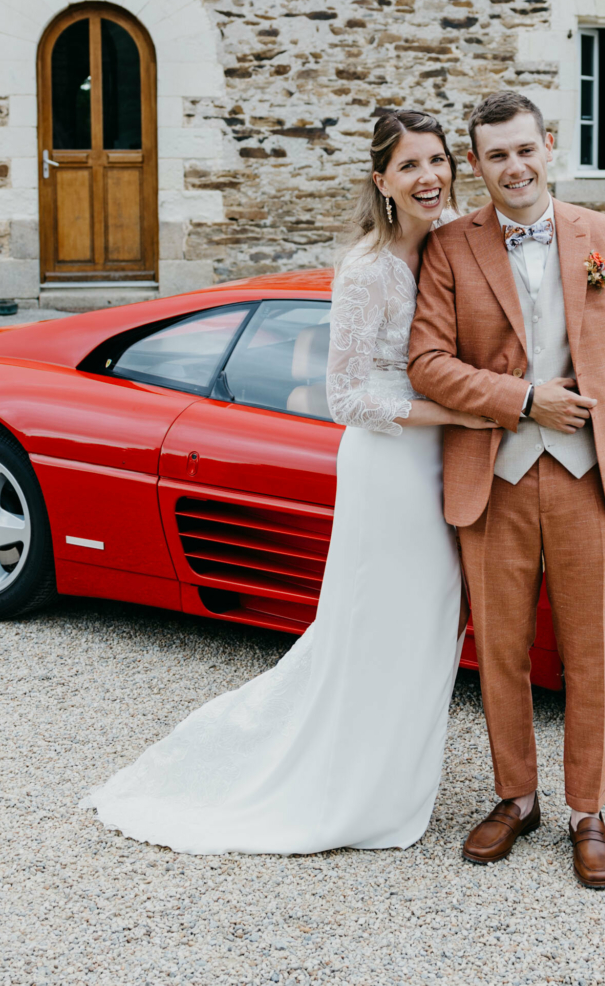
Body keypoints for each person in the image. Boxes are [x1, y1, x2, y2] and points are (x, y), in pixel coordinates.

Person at [80, 108, 494, 854]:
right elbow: (346, 399)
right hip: (391, 468)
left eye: (437, 161)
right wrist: (458, 412)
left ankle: (398, 778)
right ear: (382, 181)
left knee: (431, 626)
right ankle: (348, 788)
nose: (428, 177)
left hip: (446, 462)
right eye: (409, 166)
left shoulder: (454, 245)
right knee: (377, 624)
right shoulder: (367, 269)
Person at [407, 89, 605, 890]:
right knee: (501, 653)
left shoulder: (601, 236)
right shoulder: (449, 247)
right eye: (497, 155)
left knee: (590, 654)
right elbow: (427, 364)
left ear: (549, 147)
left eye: (525, 149)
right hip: (495, 477)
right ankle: (516, 797)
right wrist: (522, 400)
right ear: (476, 165)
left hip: (588, 479)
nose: (514, 166)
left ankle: (588, 811)